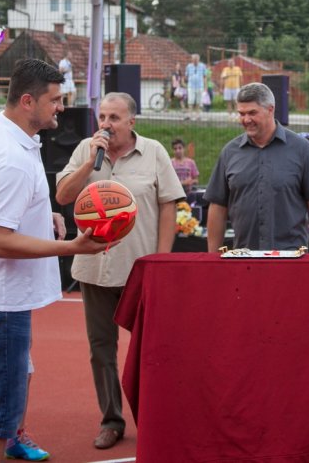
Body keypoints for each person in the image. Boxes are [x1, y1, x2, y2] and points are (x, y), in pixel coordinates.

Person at [0, 59, 110, 463]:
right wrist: (72, 248)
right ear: (27, 101)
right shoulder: (10, 156)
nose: (61, 107)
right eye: (54, 100)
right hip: (0, 300)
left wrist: (41, 213)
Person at [55, 92, 185, 450]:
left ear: (132, 121)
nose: (106, 125)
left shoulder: (155, 151)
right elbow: (64, 196)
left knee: (150, 349)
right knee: (101, 350)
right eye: (102, 117)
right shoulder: (86, 149)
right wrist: (88, 165)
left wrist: (160, 262)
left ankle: (155, 418)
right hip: (95, 269)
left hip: (140, 270)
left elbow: (169, 207)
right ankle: (111, 419)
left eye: (114, 118)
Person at [204, 82, 309, 253]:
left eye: (252, 113)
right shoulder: (229, 153)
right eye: (241, 114)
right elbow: (217, 207)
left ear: (270, 109)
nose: (246, 120)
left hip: (291, 260)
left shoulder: (302, 149)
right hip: (243, 259)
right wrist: (213, 259)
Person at [185, 54, 206, 121]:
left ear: (198, 60)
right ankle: (189, 115)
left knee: (198, 102)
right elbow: (186, 76)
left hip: (200, 86)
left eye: (196, 59)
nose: (195, 61)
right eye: (194, 59)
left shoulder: (203, 66)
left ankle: (198, 116)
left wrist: (205, 86)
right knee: (190, 101)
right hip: (191, 86)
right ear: (192, 60)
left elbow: (205, 76)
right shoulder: (189, 66)